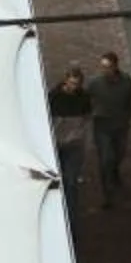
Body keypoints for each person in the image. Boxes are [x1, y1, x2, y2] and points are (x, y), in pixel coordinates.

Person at [91, 51, 131, 208]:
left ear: (115, 66)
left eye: (108, 67)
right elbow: (88, 99)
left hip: (120, 127)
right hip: (102, 127)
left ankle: (114, 172)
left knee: (119, 154)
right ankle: (108, 194)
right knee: (105, 159)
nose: (104, 70)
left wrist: (126, 118)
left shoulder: (128, 84)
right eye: (102, 67)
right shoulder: (95, 83)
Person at [48, 63, 95, 209]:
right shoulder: (53, 97)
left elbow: (86, 119)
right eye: (72, 83)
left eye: (77, 84)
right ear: (66, 80)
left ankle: (70, 208)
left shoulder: (84, 97)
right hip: (56, 143)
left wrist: (86, 141)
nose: (75, 87)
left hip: (74, 145)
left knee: (71, 180)